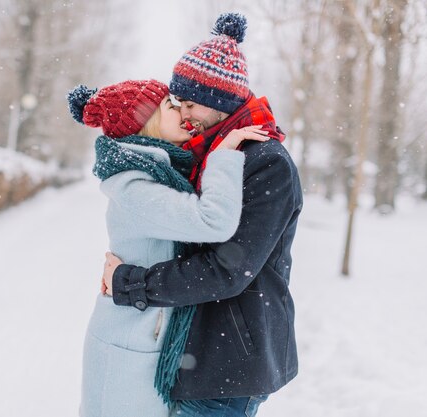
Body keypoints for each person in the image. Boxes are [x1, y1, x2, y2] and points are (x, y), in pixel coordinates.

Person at [101, 13, 303, 417]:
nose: (185, 113)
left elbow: (226, 271)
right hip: (198, 355)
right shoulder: (208, 154)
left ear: (220, 102)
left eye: (190, 103)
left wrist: (130, 283)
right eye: (177, 103)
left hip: (229, 363)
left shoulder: (266, 163)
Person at [67, 79, 269, 417]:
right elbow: (214, 220)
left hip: (145, 332)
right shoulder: (135, 188)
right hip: (131, 342)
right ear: (146, 124)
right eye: (170, 106)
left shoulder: (159, 175)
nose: (183, 111)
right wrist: (223, 156)